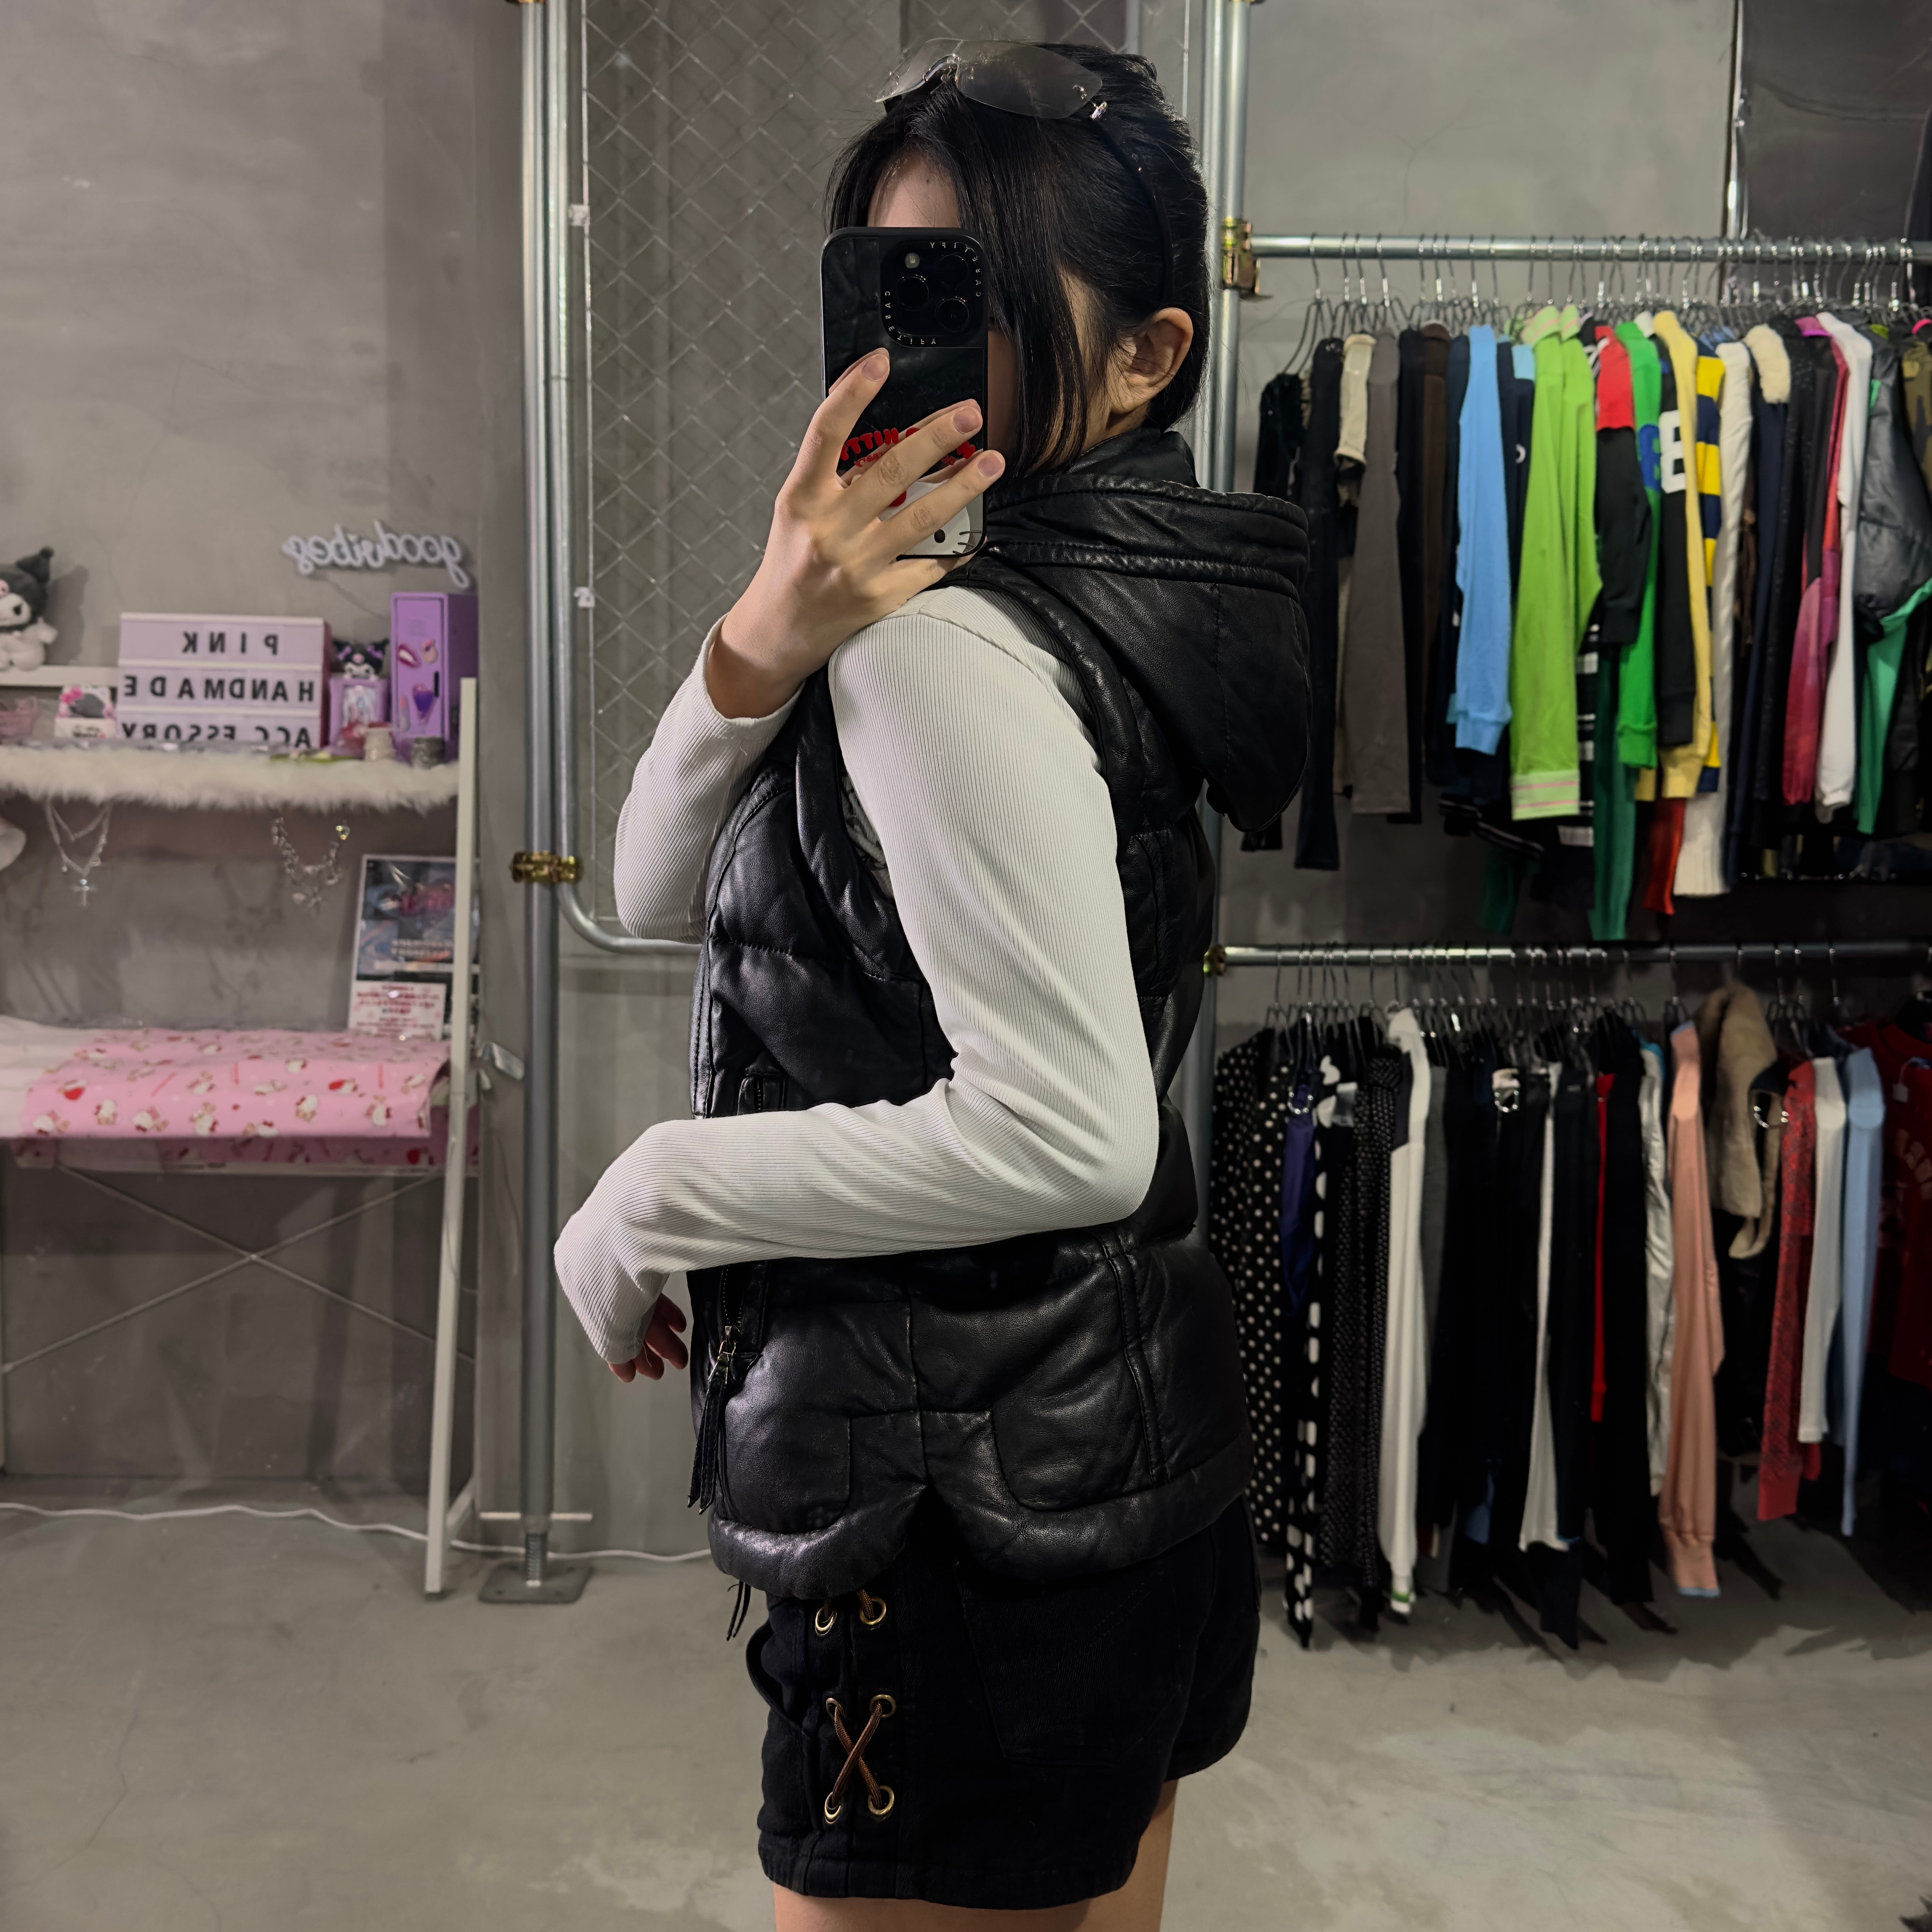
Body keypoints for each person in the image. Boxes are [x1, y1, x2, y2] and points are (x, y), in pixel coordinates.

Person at [555, 41, 1309, 1930]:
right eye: (892, 280)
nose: (916, 346)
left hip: (957, 1515)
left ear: (1147, 356)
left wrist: (657, 1192)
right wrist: (759, 636)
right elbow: (654, 891)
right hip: (1110, 1457)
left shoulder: (950, 648)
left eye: (976, 289)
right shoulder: (1114, 588)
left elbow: (1065, 1130)